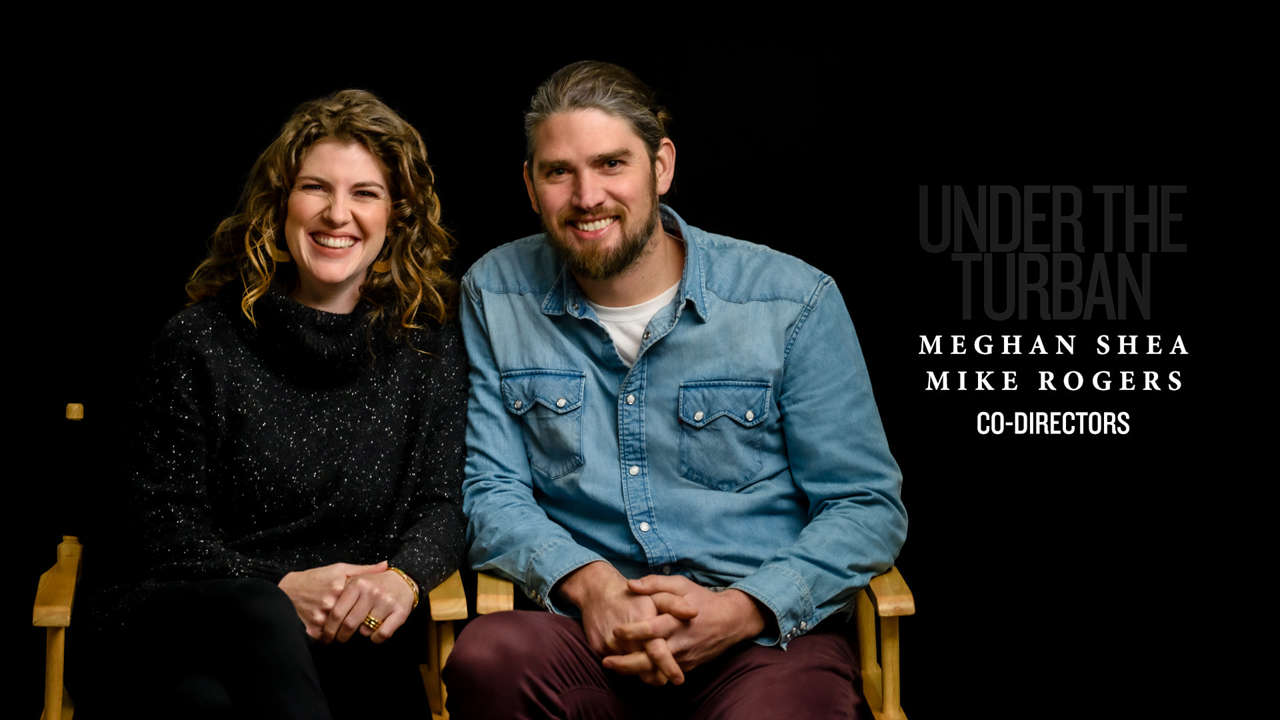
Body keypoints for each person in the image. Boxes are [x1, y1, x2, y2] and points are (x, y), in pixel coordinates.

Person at [444, 61, 907, 718]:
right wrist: (592, 585)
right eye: (559, 172)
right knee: (490, 658)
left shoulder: (791, 300)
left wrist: (742, 609)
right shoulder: (496, 292)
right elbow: (492, 490)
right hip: (585, 632)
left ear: (660, 167)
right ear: (530, 185)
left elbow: (864, 505)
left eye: (611, 164)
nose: (587, 196)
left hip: (758, 636)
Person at [72, 89, 467, 719]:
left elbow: (442, 502)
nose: (338, 214)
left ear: (396, 217)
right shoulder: (199, 341)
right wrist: (280, 588)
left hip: (340, 641)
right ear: (281, 203)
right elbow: (161, 527)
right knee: (238, 639)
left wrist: (405, 577)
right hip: (184, 616)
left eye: (365, 193)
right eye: (315, 188)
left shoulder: (425, 348)